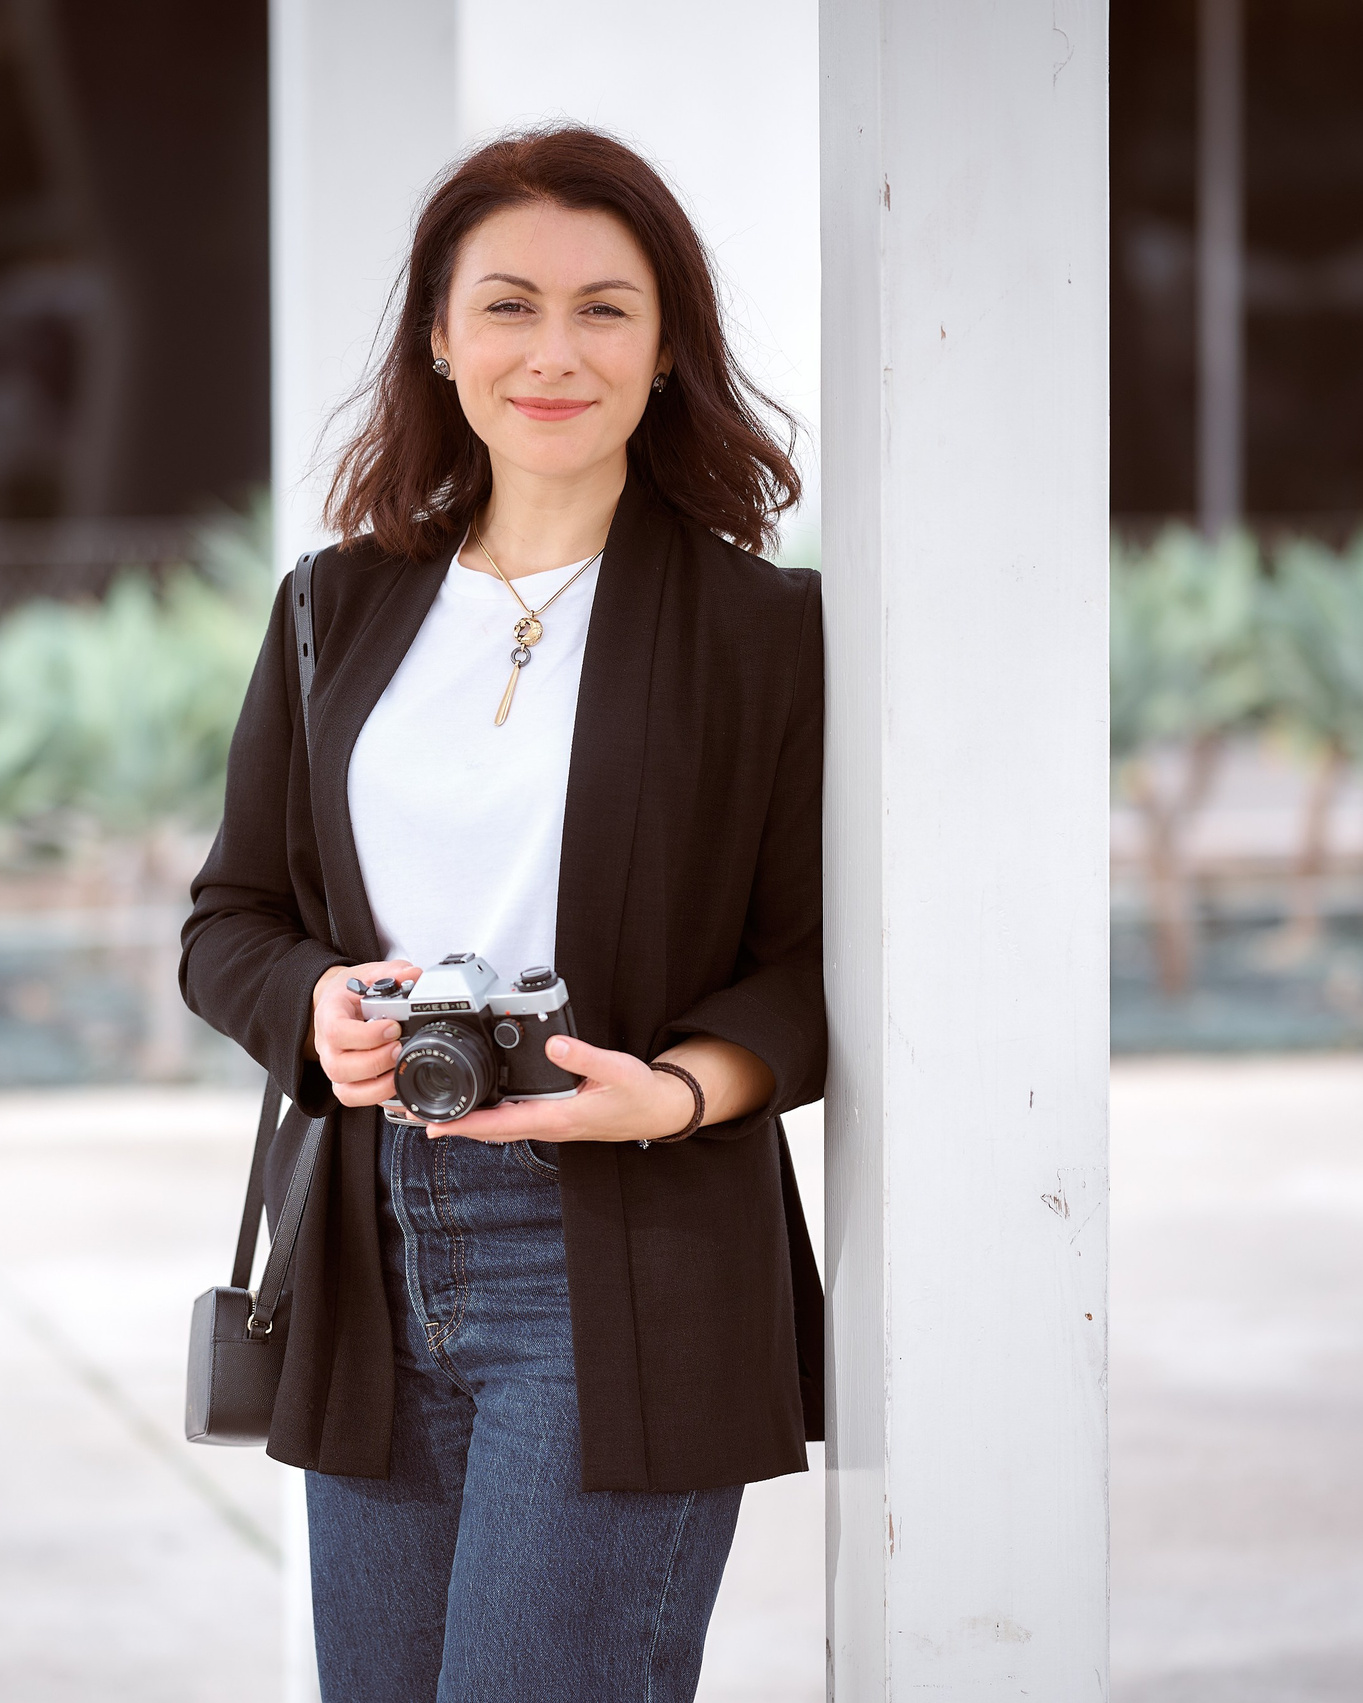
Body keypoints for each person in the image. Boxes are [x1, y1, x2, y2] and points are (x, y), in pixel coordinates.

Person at [181, 124, 825, 1703]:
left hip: (628, 1250)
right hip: (367, 1248)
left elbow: (815, 962)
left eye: (606, 309)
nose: (554, 352)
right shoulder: (333, 607)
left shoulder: (762, 631)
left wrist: (676, 1092)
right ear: (439, 337)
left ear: (667, 346)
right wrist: (315, 1007)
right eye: (510, 306)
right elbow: (231, 919)